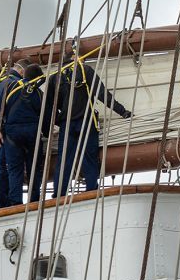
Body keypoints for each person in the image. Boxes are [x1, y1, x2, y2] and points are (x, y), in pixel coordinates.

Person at [47, 52, 132, 196]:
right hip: (86, 120)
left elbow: (49, 106)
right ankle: (92, 189)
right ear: (77, 60)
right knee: (89, 158)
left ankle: (59, 194)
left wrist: (57, 120)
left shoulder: (54, 78)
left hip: (66, 125)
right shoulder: (85, 71)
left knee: (64, 160)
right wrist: (122, 111)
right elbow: (102, 93)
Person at [0, 64, 51, 206]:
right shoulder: (38, 93)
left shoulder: (11, 87)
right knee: (34, 169)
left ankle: (16, 202)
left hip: (12, 135)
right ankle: (34, 200)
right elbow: (45, 116)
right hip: (32, 134)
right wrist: (47, 132)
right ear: (38, 78)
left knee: (14, 170)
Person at [0, 59, 28, 208]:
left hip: (1, 131)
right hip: (6, 132)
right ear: (22, 71)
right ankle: (9, 202)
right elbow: (0, 109)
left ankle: (0, 202)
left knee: (3, 168)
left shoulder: (2, 82)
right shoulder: (13, 83)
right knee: (9, 168)